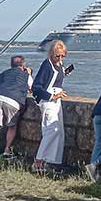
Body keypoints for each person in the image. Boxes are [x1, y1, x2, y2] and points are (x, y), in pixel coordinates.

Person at [32, 41, 69, 172]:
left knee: (58, 131)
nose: (59, 58)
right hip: (49, 101)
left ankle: (49, 161)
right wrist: (51, 96)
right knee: (51, 130)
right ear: (51, 54)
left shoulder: (59, 65)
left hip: (56, 101)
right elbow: (36, 87)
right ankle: (39, 161)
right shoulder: (47, 65)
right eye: (57, 56)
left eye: (62, 56)